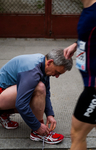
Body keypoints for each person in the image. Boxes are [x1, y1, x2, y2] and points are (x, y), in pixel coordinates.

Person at [0, 49, 73, 144]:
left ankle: (1, 114)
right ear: (50, 62)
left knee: (40, 90)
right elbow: (21, 104)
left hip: (4, 93)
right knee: (39, 88)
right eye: (57, 72)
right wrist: (38, 126)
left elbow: (46, 92)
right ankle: (37, 133)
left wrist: (50, 114)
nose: (57, 76)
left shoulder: (43, 62)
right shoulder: (32, 71)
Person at [64, 0, 96, 150]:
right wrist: (78, 44)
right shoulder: (89, 9)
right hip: (89, 84)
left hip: (94, 88)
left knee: (77, 135)